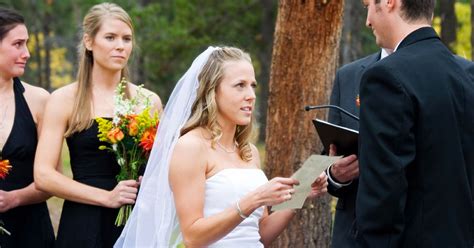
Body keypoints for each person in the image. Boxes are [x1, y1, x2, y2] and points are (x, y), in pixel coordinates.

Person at [115, 46, 328, 247]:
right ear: (212, 91)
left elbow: (260, 234)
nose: (251, 95)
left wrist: (300, 193)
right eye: (239, 85)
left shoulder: (249, 152)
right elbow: (192, 237)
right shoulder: (190, 147)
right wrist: (254, 199)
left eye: (252, 86)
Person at [34, 3, 162, 247]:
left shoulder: (148, 101)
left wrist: (152, 179)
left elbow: (165, 167)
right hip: (83, 222)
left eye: (127, 39)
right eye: (110, 37)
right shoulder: (63, 100)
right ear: (89, 42)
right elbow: (43, 176)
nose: (120, 46)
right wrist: (107, 197)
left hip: (137, 220)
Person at [356, 0, 474, 247]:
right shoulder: (464, 75)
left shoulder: (386, 77)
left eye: (368, 5)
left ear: (390, 3)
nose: (367, 20)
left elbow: (383, 200)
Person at [0, 7, 55, 248]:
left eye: (27, 44)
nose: (27, 53)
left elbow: (52, 178)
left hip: (29, 232)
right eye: (18, 44)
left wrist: (14, 198)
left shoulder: (39, 100)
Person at [326, 49, 390, 247]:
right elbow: (328, 154)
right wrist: (336, 176)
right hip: (353, 234)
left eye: (371, 14)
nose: (367, 22)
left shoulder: (454, 72)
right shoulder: (348, 76)